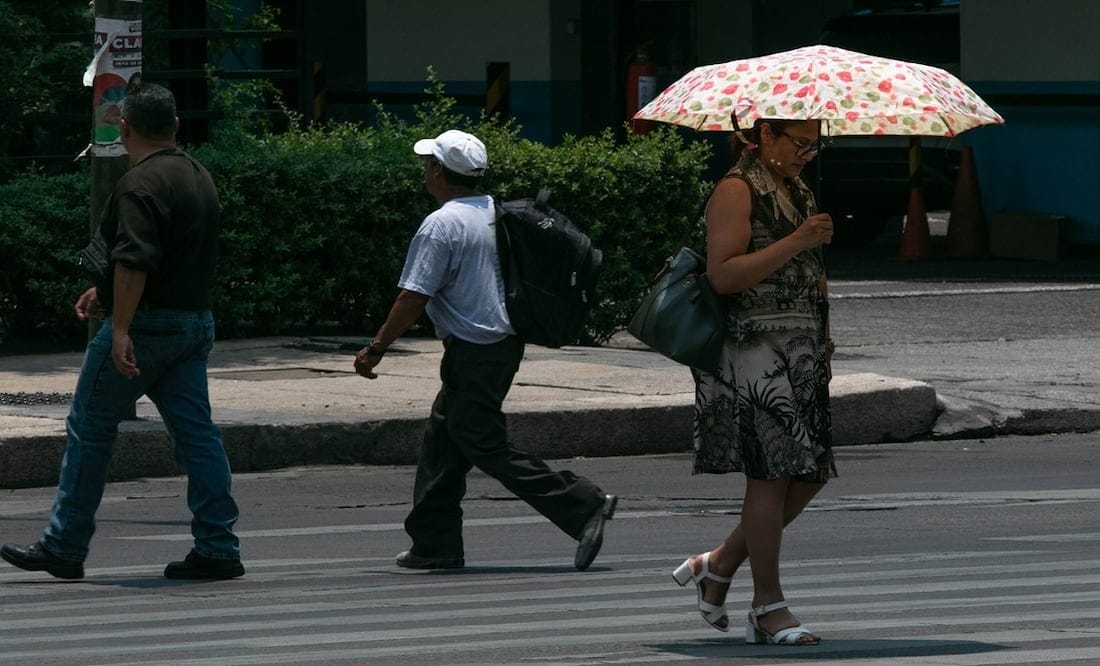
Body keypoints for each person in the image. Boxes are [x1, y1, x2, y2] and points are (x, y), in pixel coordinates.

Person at [1, 83, 244, 581]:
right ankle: (218, 544)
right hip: (193, 323)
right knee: (198, 437)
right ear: (175, 126)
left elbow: (134, 260)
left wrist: (120, 328)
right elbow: (169, 258)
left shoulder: (139, 185)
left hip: (148, 324)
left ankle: (64, 545)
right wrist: (107, 295)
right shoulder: (198, 175)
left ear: (125, 129)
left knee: (89, 429)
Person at [354, 129, 616, 571]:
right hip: (494, 346)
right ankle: (434, 544)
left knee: (483, 443)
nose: (425, 172)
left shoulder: (442, 223)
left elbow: (413, 296)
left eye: (427, 164)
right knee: (443, 441)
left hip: (477, 350)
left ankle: (582, 503)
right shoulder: (493, 211)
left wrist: (377, 347)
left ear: (438, 170)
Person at [671, 118, 835, 645]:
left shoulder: (796, 188)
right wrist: (798, 239)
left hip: (803, 350)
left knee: (809, 473)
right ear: (765, 135)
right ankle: (768, 605)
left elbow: (812, 270)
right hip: (754, 350)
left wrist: (826, 335)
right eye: (800, 143)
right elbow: (724, 275)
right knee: (770, 475)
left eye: (816, 144)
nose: (808, 154)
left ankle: (716, 565)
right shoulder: (736, 190)